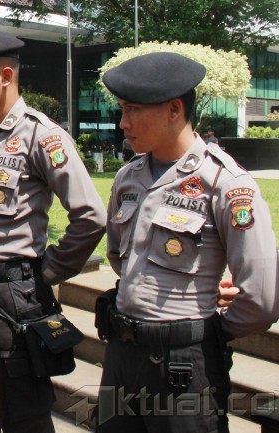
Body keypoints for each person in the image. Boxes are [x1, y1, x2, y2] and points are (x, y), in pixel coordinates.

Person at [98, 52, 279, 432]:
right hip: (121, 355)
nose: (123, 122)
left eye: (133, 110)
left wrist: (205, 333)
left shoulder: (225, 184)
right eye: (122, 109)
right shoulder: (128, 178)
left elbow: (261, 300)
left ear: (174, 109)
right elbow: (120, 257)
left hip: (182, 364)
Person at [0, 30, 107, 433]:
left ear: (5, 76)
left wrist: (47, 271)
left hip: (12, 297)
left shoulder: (42, 136)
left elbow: (90, 215)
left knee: (23, 414)